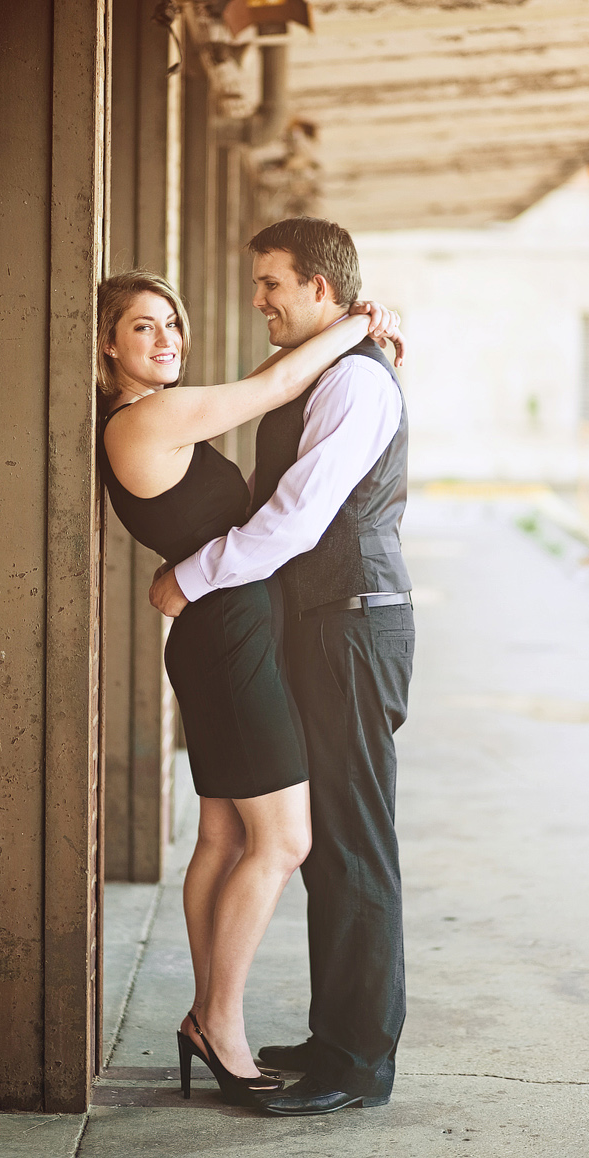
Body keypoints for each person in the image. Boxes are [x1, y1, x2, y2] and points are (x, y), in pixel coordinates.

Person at [96, 269, 402, 1110]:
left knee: (228, 840)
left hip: (229, 636)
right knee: (283, 842)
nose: (166, 341)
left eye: (172, 325)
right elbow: (276, 383)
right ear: (105, 347)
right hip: (228, 644)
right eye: (142, 329)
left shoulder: (149, 414)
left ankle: (209, 1018)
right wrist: (360, 324)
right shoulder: (149, 415)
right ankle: (216, 1024)